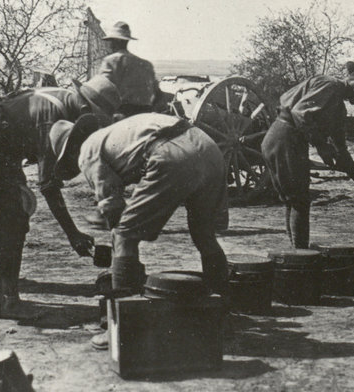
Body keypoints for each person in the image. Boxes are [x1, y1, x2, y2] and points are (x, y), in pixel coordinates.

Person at [52, 112, 229, 349]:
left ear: (72, 150)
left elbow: (112, 207)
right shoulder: (115, 133)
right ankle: (223, 313)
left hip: (171, 155)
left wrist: (118, 251)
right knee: (204, 235)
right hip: (208, 147)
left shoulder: (87, 150)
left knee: (124, 237)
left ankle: (125, 329)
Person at [0, 75, 121, 318]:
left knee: (13, 219)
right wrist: (72, 233)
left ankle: (3, 295)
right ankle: (8, 301)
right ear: (86, 106)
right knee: (13, 220)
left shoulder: (63, 101)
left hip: (2, 152)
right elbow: (48, 185)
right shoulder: (52, 116)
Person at [261, 63, 354, 248]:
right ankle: (300, 255)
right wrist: (322, 146)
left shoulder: (339, 109)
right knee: (298, 201)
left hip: (289, 140)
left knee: (295, 201)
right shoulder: (331, 85)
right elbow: (299, 114)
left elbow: (341, 152)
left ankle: (297, 252)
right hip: (284, 137)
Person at [97, 21, 161, 116]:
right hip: (145, 114)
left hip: (121, 114)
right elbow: (158, 94)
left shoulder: (111, 61)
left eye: (111, 41)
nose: (109, 45)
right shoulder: (146, 64)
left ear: (116, 42)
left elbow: (101, 90)